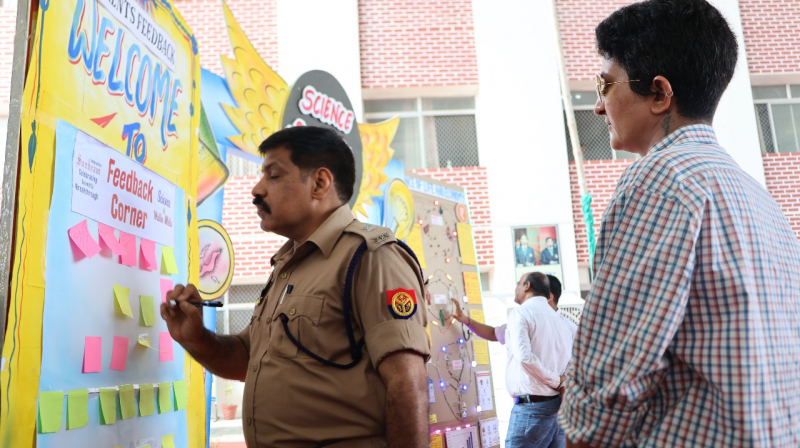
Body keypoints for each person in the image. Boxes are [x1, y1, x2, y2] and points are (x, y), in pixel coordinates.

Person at [559, 1, 800, 447]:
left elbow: (611, 378)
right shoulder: (757, 197)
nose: (598, 107)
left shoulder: (659, 179)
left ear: (659, 94)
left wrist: (579, 433)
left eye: (605, 85)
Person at [161, 126, 431, 448]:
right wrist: (196, 337)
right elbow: (246, 359)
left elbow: (407, 383)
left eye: (273, 175)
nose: (257, 190)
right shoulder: (287, 264)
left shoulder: (371, 257)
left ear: (319, 183)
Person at [452, 273, 574, 448]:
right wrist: (466, 320)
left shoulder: (521, 313)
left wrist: (555, 381)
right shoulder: (563, 323)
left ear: (527, 286)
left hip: (531, 409)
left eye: (518, 284)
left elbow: (524, 357)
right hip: (554, 409)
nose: (515, 289)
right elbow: (495, 333)